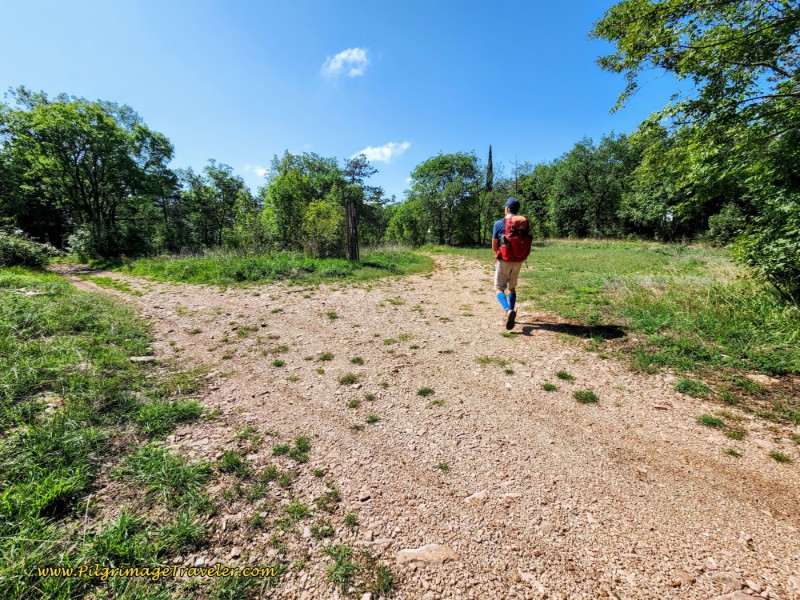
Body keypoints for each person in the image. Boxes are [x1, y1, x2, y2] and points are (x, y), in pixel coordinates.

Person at [492, 198, 525, 330]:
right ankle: (512, 310)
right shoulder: (522, 224)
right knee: (512, 288)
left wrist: (497, 255)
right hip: (518, 260)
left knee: (498, 288)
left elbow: (494, 245)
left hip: (504, 260)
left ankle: (507, 310)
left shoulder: (499, 223)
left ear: (507, 209)